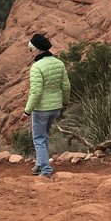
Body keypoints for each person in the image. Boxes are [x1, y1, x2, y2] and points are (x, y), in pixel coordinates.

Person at [22, 33, 70, 178]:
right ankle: (39, 164)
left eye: (32, 50)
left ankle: (46, 170)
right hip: (55, 107)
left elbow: (36, 92)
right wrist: (65, 102)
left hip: (41, 109)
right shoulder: (59, 63)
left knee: (39, 139)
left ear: (37, 50)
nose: (31, 53)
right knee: (44, 136)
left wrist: (27, 111)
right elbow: (66, 86)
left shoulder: (37, 67)